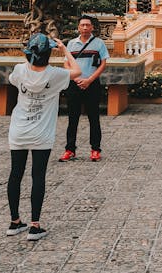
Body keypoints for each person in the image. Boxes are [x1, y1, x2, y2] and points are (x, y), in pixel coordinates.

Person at [6, 33, 81, 241]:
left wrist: (30, 51)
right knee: (37, 176)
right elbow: (77, 71)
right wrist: (65, 49)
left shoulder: (20, 70)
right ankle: (34, 225)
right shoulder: (55, 74)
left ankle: (14, 222)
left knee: (15, 174)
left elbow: (19, 74)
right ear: (49, 54)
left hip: (18, 130)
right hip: (41, 132)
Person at [59, 16, 110, 162]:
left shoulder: (99, 43)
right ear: (78, 27)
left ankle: (95, 149)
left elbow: (103, 64)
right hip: (74, 84)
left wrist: (89, 80)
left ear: (92, 27)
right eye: (83, 25)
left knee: (94, 118)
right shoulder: (71, 44)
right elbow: (66, 63)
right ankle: (70, 149)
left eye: (88, 25)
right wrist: (75, 78)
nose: (85, 28)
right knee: (72, 118)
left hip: (91, 84)